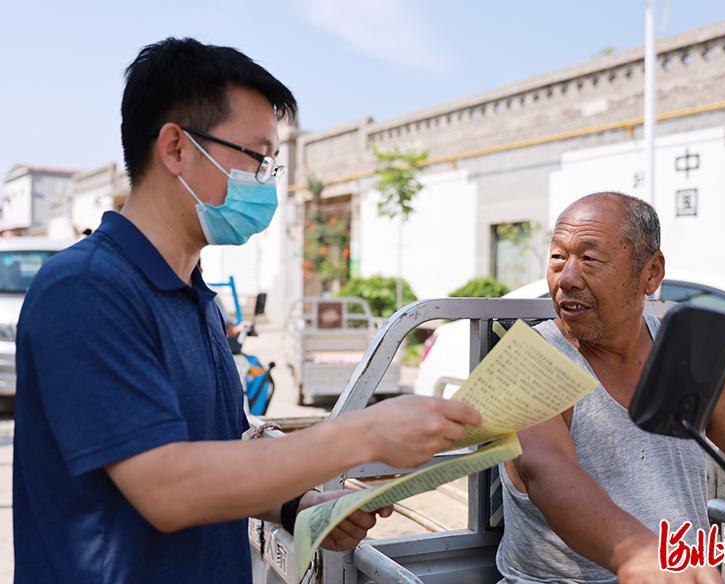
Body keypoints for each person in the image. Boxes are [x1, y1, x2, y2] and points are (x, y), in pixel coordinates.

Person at [12, 38, 482, 583]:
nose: (265, 181)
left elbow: (219, 462)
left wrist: (297, 507)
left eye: (272, 164)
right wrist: (366, 434)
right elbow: (169, 488)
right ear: (176, 148)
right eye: (256, 158)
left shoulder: (194, 297)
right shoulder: (88, 290)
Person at [496, 192, 725, 584]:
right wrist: (636, 553)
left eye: (590, 259)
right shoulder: (527, 362)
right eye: (558, 257)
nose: (568, 279)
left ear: (651, 272)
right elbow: (545, 472)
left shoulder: (689, 358)